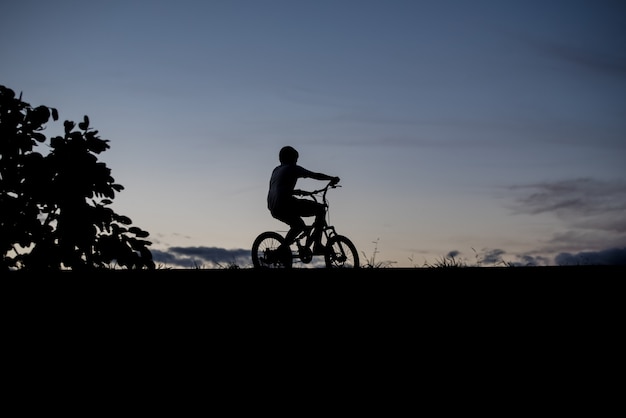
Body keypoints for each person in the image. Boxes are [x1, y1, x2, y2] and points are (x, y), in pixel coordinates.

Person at [267, 145, 339, 256]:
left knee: (298, 226)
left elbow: (278, 189)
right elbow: (314, 175)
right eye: (296, 159)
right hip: (286, 203)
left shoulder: (276, 170)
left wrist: (298, 192)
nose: (296, 161)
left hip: (274, 207)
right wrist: (331, 178)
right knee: (320, 209)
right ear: (291, 158)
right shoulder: (293, 168)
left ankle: (280, 251)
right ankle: (317, 246)